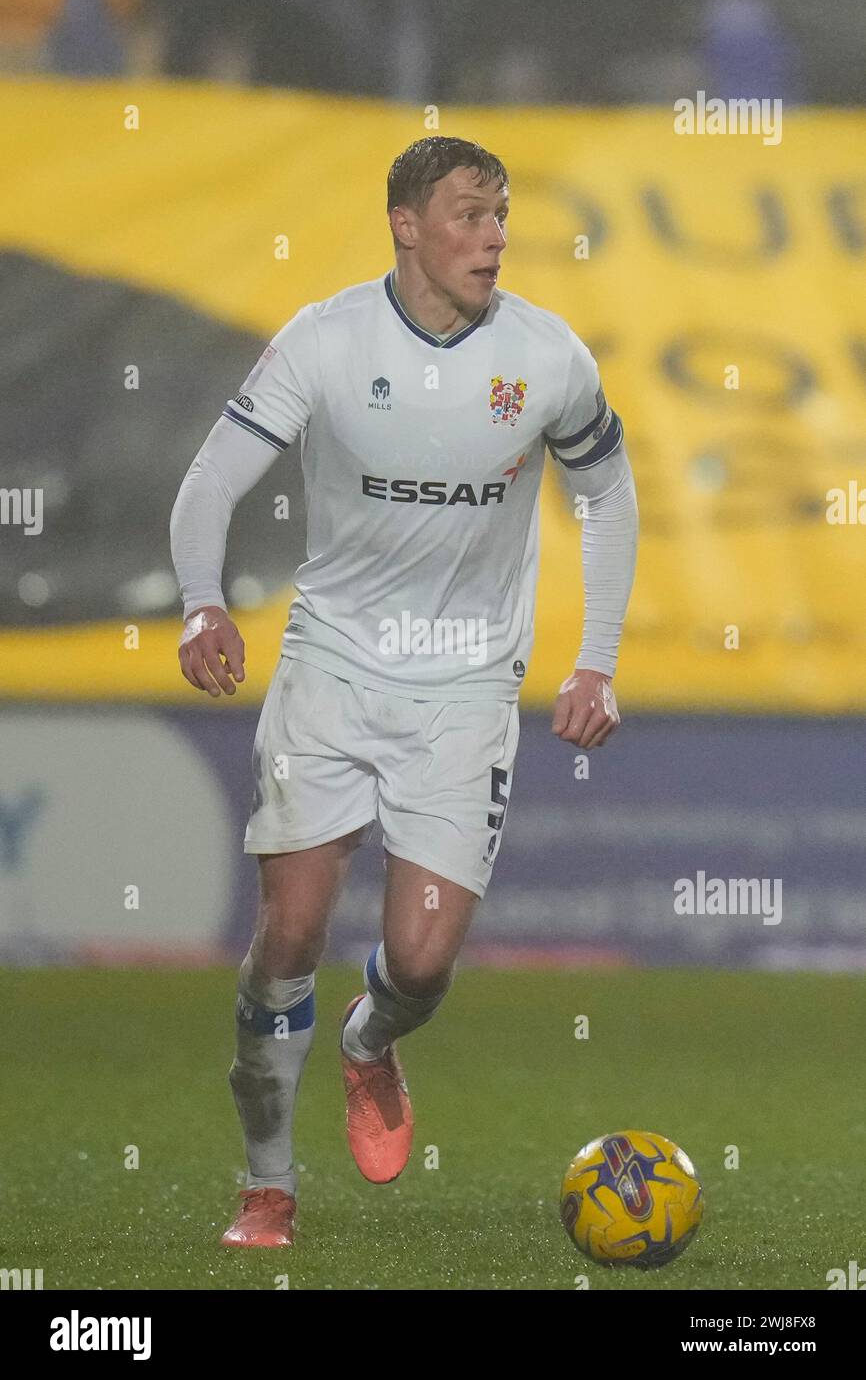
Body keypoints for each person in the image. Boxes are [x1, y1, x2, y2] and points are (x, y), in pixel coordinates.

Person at [170, 136, 638, 1247]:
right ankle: (267, 1184)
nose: (492, 236)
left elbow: (607, 495)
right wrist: (200, 601)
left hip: (468, 682)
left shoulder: (546, 356)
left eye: (501, 215)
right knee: (288, 933)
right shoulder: (325, 340)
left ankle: (370, 1043)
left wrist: (596, 659)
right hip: (331, 663)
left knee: (421, 961)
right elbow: (210, 479)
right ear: (406, 224)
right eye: (470, 215)